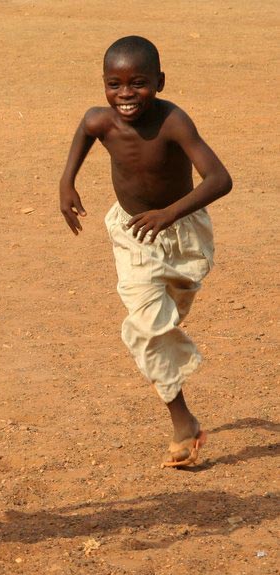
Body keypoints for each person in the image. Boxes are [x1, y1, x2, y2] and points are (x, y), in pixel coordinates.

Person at [58, 36, 232, 468]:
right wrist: (67, 181)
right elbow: (84, 129)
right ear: (103, 85)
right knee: (149, 328)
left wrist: (169, 214)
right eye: (114, 85)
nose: (126, 95)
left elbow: (219, 179)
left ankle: (170, 367)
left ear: (160, 81)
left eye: (138, 83)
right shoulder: (101, 121)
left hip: (182, 234)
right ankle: (182, 423)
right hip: (133, 234)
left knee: (165, 321)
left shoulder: (174, 122)